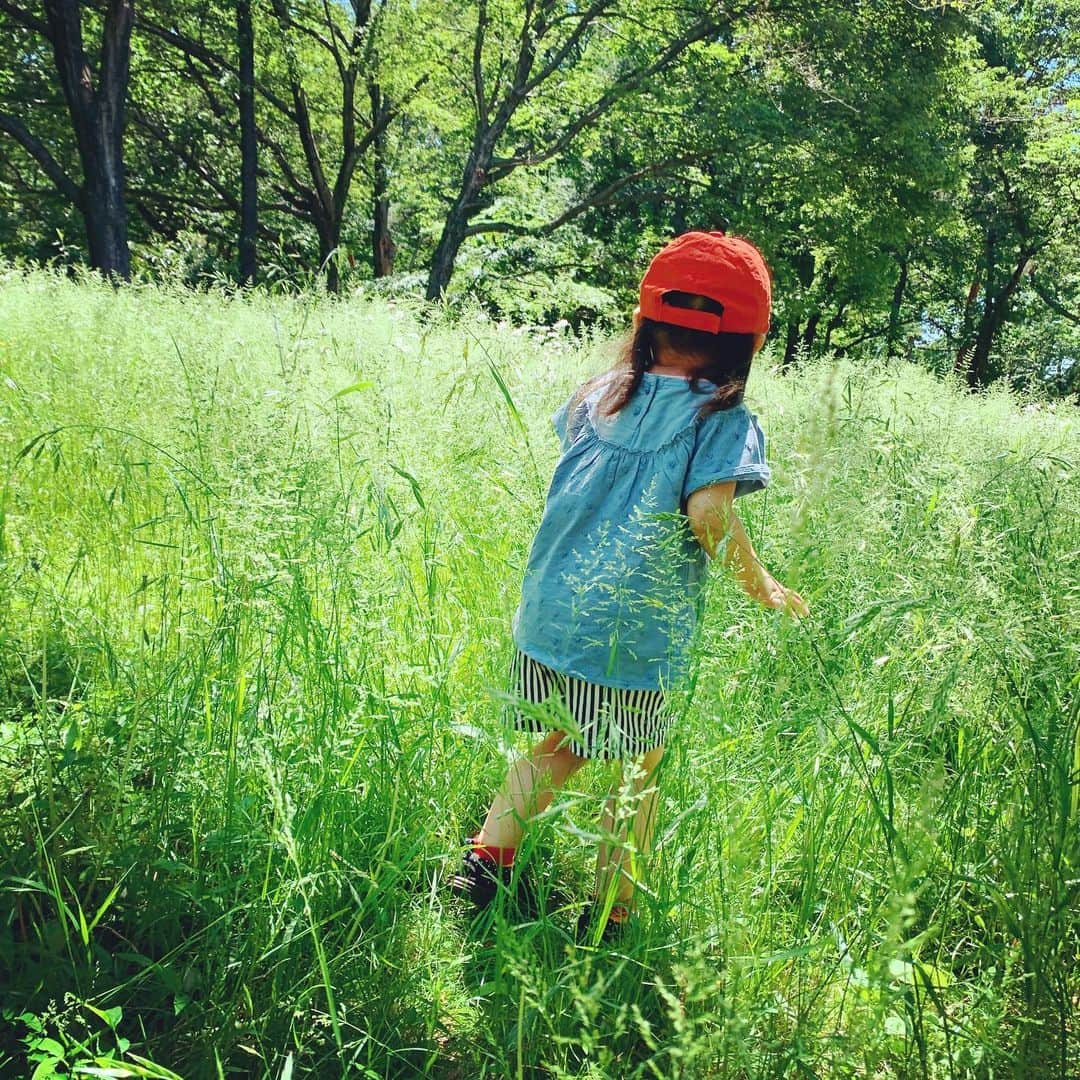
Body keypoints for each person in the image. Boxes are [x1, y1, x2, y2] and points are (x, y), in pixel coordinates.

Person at [450, 231, 808, 942]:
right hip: (632, 633)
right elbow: (708, 511)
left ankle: (482, 868)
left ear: (646, 320)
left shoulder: (599, 394)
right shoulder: (721, 418)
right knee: (636, 768)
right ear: (748, 342)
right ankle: (612, 911)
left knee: (562, 743)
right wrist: (760, 582)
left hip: (554, 612)